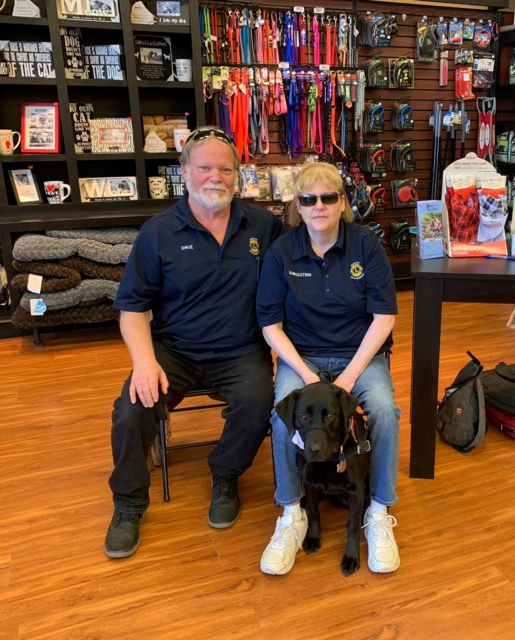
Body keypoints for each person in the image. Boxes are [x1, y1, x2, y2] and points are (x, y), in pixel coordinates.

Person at [104, 127, 285, 559]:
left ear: (238, 176)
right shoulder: (157, 232)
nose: (215, 177)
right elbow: (131, 309)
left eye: (225, 169)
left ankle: (225, 474)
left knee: (261, 405)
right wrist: (145, 364)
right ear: (184, 171)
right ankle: (128, 505)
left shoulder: (264, 225)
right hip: (174, 352)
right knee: (130, 412)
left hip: (241, 351)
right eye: (204, 167)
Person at [255, 162, 402, 575]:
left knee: (385, 412)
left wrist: (348, 379)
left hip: (360, 355)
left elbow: (384, 319)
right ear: (297, 207)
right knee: (284, 416)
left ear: (343, 203)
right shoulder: (282, 252)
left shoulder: (366, 245)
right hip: (303, 358)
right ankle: (291, 512)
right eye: (308, 199)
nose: (318, 206)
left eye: (328, 197)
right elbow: (270, 325)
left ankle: (377, 510)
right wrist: (306, 376)